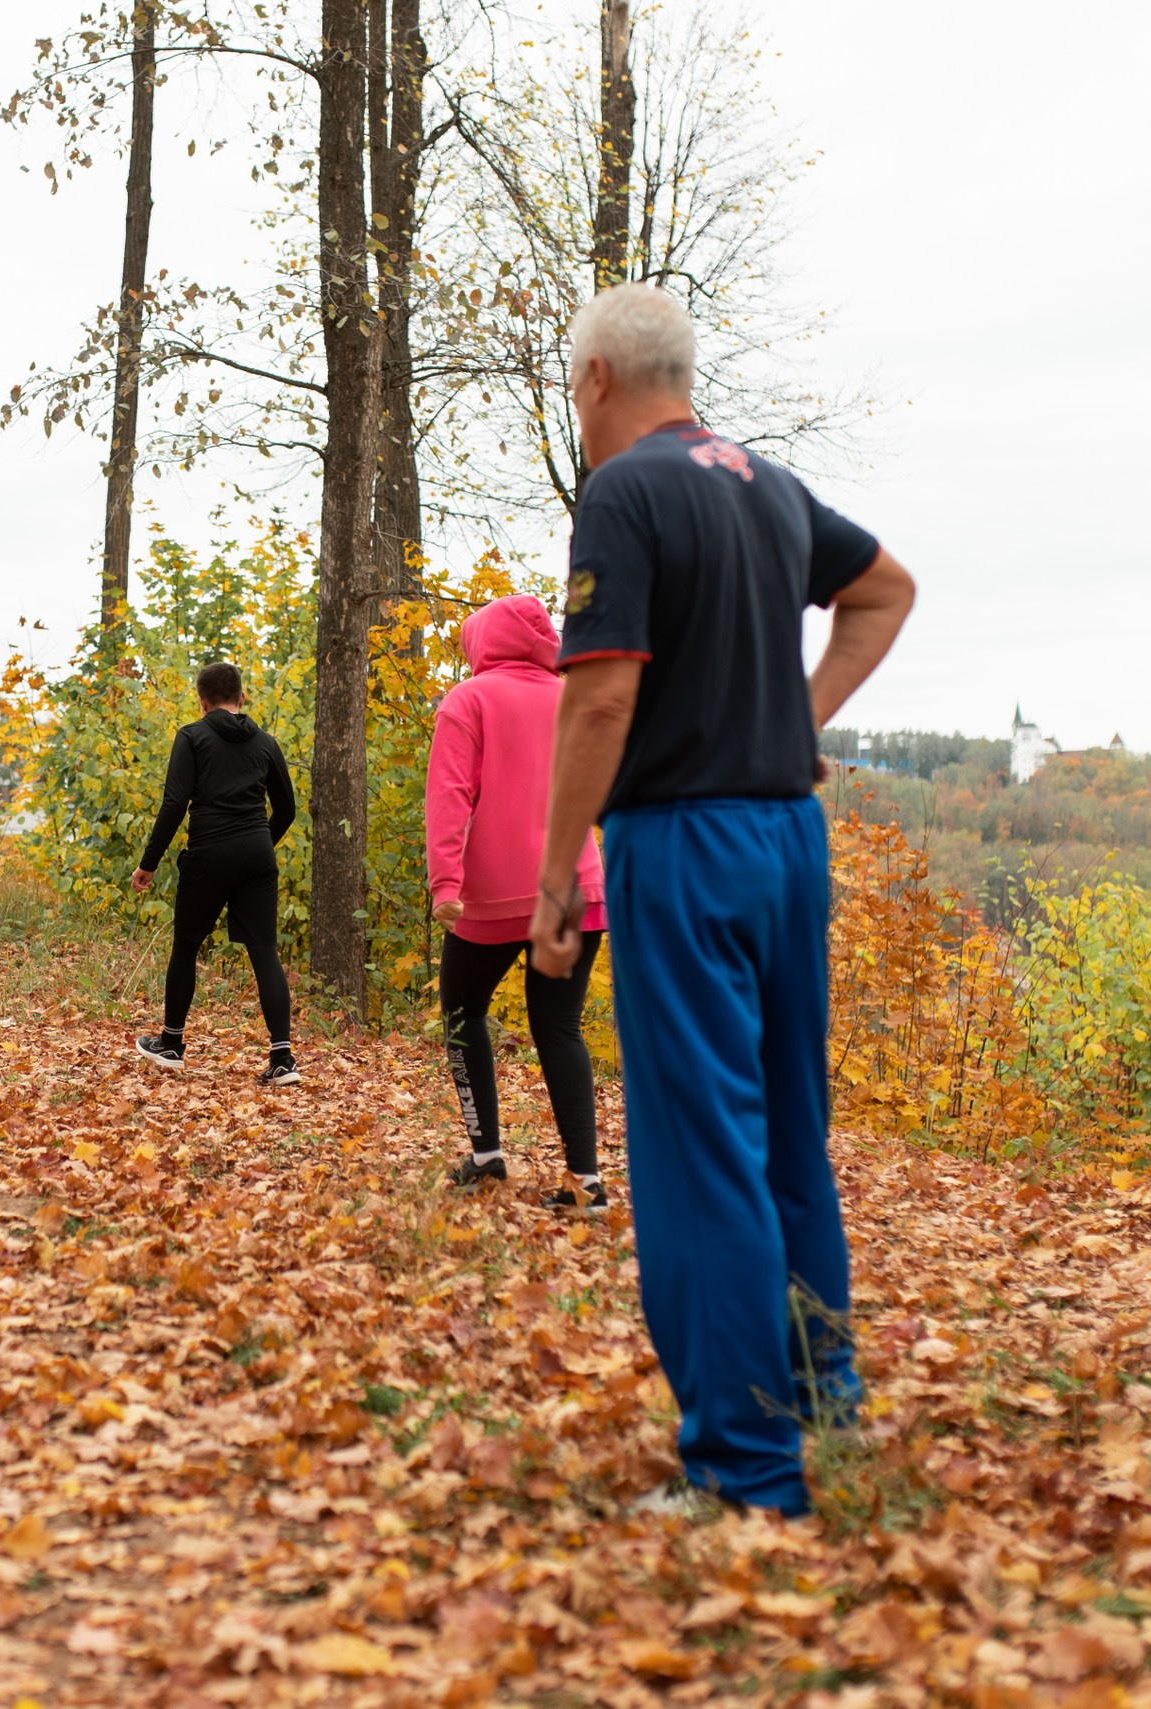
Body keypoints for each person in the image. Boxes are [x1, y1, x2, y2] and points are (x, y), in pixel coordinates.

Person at [529, 283, 915, 1517]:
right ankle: (822, 1402)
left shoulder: (626, 493)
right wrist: (788, 721)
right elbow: (885, 590)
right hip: (786, 838)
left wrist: (554, 875)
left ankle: (746, 1473)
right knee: (786, 1128)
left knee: (700, 1154)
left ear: (593, 378)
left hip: (682, 842)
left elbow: (598, 699)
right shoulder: (769, 486)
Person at [425, 596, 609, 1208]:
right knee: (559, 1027)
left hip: (495, 895)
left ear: (483, 643)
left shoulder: (469, 699)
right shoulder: (572, 699)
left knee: (461, 1011)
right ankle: (586, 1183)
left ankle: (485, 1156)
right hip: (578, 892)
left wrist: (444, 882)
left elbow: (450, 794)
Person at [128, 661, 300, 1085]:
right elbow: (288, 810)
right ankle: (282, 1059)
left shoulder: (192, 737)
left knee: (186, 945)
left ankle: (171, 1043)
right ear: (241, 698)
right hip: (257, 855)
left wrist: (148, 863)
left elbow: (174, 804)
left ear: (202, 701)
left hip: (207, 853)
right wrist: (257, 845)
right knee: (264, 950)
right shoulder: (266, 743)